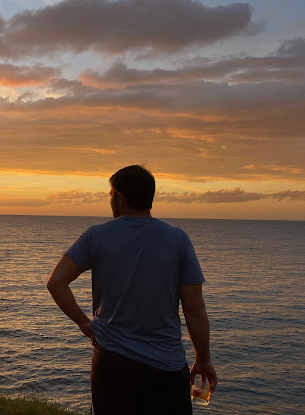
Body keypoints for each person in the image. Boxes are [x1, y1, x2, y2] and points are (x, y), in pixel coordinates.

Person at [46, 165, 217, 414]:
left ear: (120, 198)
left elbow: (56, 282)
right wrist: (203, 358)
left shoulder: (96, 236)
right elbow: (195, 309)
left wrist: (85, 324)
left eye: (111, 195)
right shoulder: (178, 239)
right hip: (166, 366)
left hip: (112, 363)